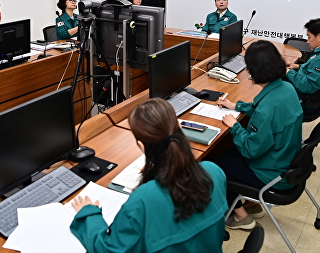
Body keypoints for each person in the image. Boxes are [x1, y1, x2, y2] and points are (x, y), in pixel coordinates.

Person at [70, 98, 228, 252]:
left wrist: (89, 214)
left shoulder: (143, 200)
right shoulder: (214, 171)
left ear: (141, 146)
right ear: (179, 128)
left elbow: (108, 249)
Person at [215, 40, 303, 230]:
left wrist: (234, 126)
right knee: (227, 152)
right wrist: (236, 106)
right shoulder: (286, 88)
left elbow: (250, 150)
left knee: (216, 165)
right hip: (285, 162)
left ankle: (240, 216)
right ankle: (252, 203)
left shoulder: (267, 108)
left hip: (271, 173)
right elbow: (261, 109)